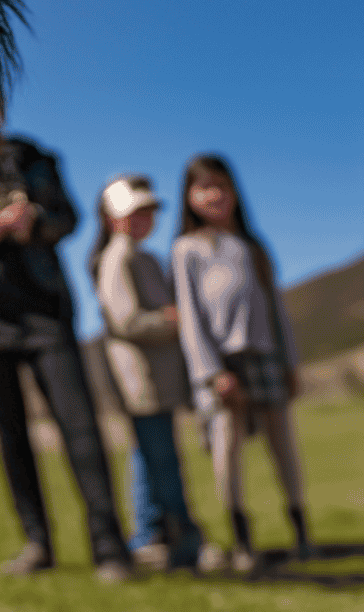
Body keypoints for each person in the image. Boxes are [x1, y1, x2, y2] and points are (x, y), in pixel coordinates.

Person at [0, 93, 132, 582]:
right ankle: (38, 544)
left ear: (0, 113)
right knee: (11, 436)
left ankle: (110, 548)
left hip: (45, 312)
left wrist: (35, 225)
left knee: (80, 427)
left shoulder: (34, 159)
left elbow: (68, 218)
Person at [172, 153, 312, 572]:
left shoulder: (253, 246)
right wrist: (212, 373)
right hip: (223, 363)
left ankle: (302, 533)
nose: (214, 195)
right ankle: (242, 541)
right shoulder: (187, 250)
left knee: (283, 444)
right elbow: (191, 319)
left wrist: (290, 362)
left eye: (221, 185)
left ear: (233, 192)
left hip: (266, 354)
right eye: (204, 187)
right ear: (190, 197)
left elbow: (275, 309)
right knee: (227, 447)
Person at [90, 174, 220, 572]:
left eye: (149, 212)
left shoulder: (147, 257)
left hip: (160, 380)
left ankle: (153, 535)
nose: (145, 220)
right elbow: (125, 320)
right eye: (136, 213)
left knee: (151, 458)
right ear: (115, 219)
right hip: (140, 381)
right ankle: (179, 537)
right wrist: (171, 320)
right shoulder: (117, 257)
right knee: (159, 459)